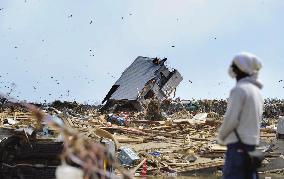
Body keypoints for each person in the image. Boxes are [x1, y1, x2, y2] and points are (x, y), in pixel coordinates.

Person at [218, 52, 264, 179]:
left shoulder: (239, 90)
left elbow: (231, 119)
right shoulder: (257, 92)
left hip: (237, 147)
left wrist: (221, 137)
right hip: (251, 148)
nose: (232, 69)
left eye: (235, 66)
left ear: (242, 68)